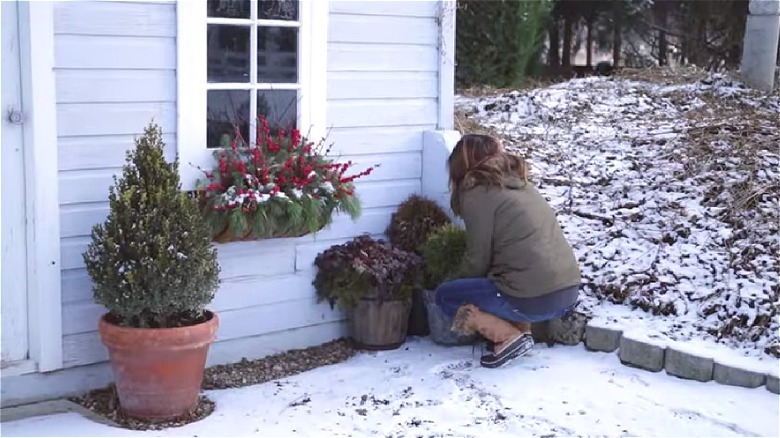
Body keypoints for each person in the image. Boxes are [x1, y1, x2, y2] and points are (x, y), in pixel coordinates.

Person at [435, 134, 581, 369]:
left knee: (446, 295)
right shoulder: (521, 184)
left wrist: (453, 279)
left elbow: (477, 260)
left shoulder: (477, 192)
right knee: (509, 276)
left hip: (534, 300)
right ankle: (521, 332)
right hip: (568, 293)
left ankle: (506, 336)